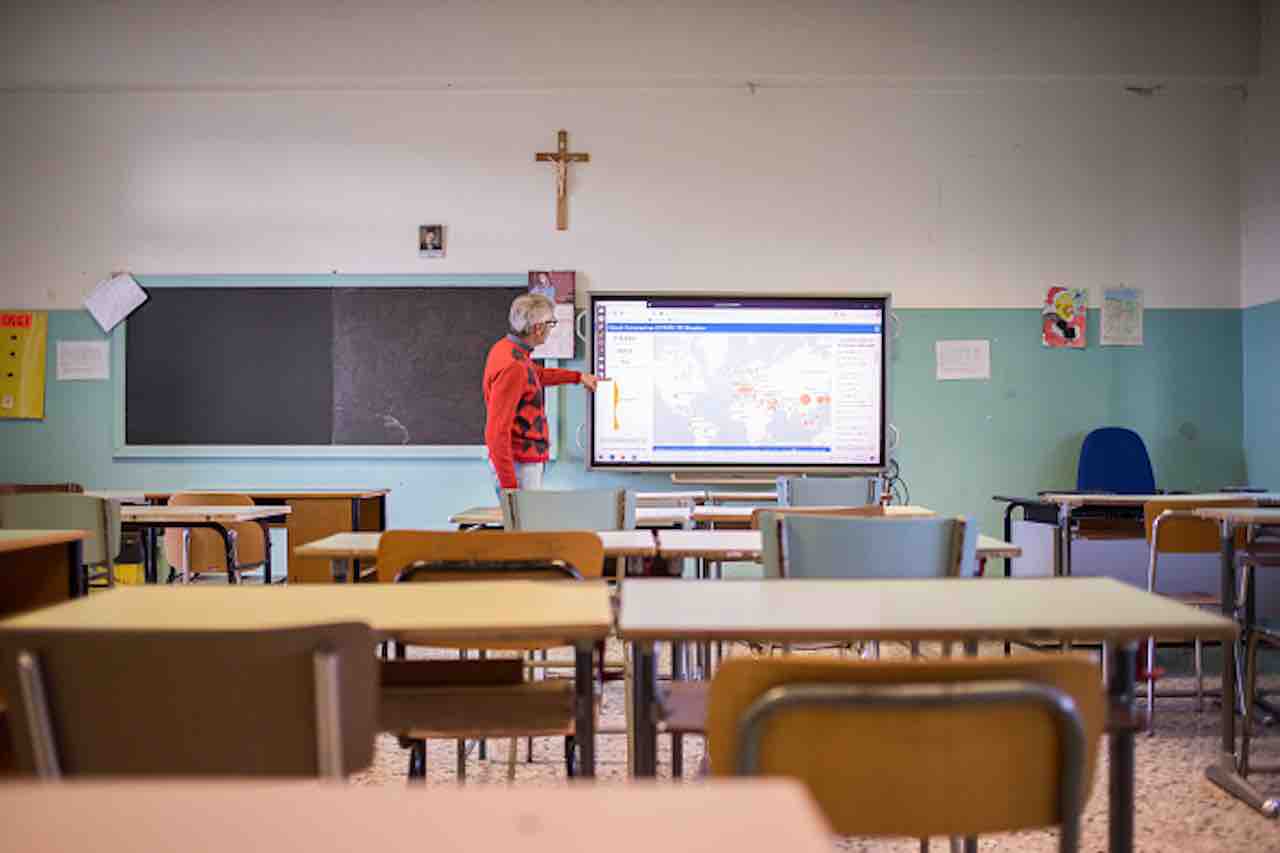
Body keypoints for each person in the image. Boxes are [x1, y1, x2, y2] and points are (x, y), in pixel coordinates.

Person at [483, 293, 596, 493]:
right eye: (551, 324)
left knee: (527, 523)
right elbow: (496, 431)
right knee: (525, 524)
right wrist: (510, 489)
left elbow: (537, 375)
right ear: (538, 328)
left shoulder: (508, 350)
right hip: (519, 466)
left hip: (520, 462)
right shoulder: (513, 366)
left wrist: (578, 377)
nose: (551, 330)